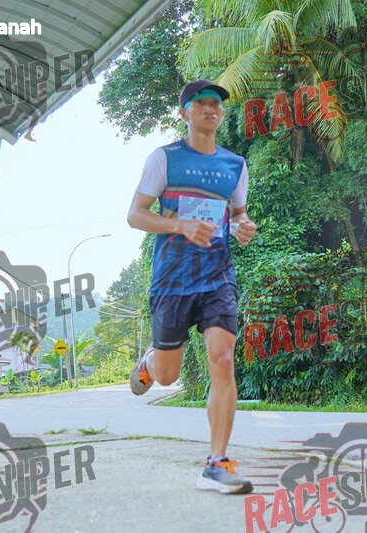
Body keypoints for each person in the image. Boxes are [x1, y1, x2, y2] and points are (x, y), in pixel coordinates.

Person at [126, 79, 258, 494]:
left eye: (216, 103)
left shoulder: (235, 164)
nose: (210, 109)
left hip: (218, 276)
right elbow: (136, 214)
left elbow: (237, 214)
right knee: (168, 377)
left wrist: (242, 226)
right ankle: (152, 361)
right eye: (201, 103)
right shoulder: (165, 159)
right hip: (172, 279)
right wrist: (180, 225)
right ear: (184, 112)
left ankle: (217, 463)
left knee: (223, 359)